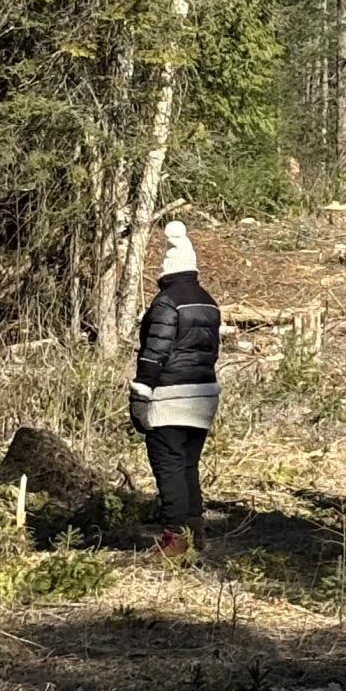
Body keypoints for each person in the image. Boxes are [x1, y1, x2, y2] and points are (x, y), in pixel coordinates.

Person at [130, 221, 220, 557]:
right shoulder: (208, 301)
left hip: (170, 397)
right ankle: (195, 534)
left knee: (168, 466)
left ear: (167, 270)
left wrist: (141, 392)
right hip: (204, 396)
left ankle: (174, 541)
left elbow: (155, 353)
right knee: (187, 466)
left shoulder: (166, 302)